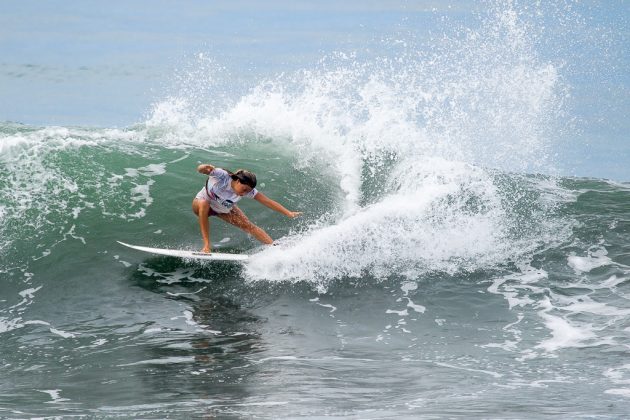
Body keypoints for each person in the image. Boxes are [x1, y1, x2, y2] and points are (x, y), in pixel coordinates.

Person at [192, 164, 301, 253]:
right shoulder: (223, 176)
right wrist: (204, 167)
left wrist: (288, 213)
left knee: (249, 226)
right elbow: (201, 169)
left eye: (248, 191)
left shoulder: (248, 190)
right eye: (244, 189)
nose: (245, 194)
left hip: (223, 209)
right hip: (201, 204)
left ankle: (275, 249)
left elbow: (267, 201)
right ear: (238, 181)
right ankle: (206, 246)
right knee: (204, 203)